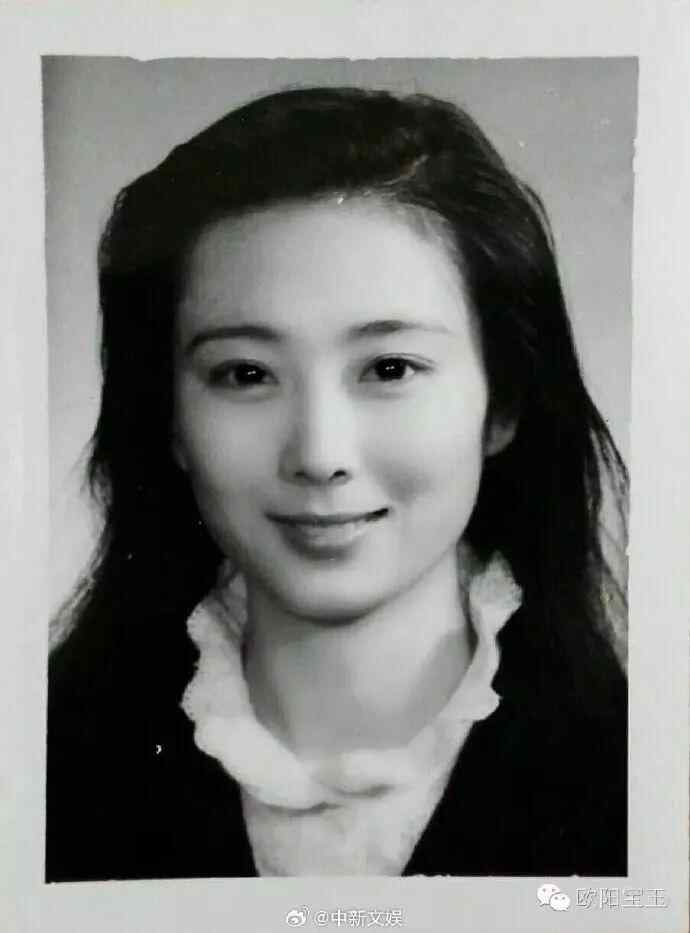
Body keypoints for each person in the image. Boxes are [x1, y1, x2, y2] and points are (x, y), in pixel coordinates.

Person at [46, 85, 628, 881]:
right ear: (169, 419)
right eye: (245, 373)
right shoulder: (43, 767)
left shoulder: (646, 780)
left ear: (504, 403)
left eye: (389, 368)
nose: (319, 455)